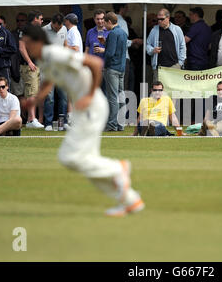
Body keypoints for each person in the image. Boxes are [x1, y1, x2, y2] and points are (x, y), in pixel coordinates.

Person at [22, 24, 144, 217]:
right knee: (88, 163)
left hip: (91, 107)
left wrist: (90, 94)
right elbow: (48, 80)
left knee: (69, 158)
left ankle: (118, 168)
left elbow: (96, 63)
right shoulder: (44, 60)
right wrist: (36, 99)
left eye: (27, 43)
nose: (26, 48)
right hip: (84, 110)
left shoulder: (54, 53)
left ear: (37, 41)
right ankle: (130, 200)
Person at [42, 13, 69, 131]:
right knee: (50, 97)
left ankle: (62, 123)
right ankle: (48, 123)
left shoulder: (64, 29)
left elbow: (66, 45)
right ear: (52, 23)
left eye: (60, 27)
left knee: (63, 96)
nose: (58, 30)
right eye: (56, 27)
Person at [146, 8, 186, 83]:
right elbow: (148, 44)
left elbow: (182, 46)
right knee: (158, 91)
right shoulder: (154, 29)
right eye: (158, 19)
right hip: (159, 67)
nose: (159, 21)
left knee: (174, 91)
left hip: (174, 66)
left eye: (162, 19)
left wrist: (180, 63)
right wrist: (152, 50)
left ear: (168, 18)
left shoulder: (177, 29)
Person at [19, 10, 44, 129]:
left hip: (37, 65)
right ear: (35, 19)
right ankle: (31, 119)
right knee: (31, 92)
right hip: (29, 65)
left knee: (34, 92)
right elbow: (22, 47)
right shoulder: (26, 29)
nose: (42, 21)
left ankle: (32, 119)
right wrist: (29, 62)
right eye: (40, 18)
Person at [103, 12, 128, 132]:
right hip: (121, 68)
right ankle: (120, 124)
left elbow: (110, 53)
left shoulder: (112, 33)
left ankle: (112, 124)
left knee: (112, 97)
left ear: (109, 22)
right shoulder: (123, 32)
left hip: (112, 68)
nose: (104, 26)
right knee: (120, 95)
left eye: (104, 23)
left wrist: (105, 65)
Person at [113, 4, 142, 92]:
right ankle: (123, 105)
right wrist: (134, 41)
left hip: (112, 58)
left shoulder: (109, 21)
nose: (128, 9)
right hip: (123, 58)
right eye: (126, 7)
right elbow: (122, 41)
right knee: (124, 86)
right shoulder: (121, 22)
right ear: (122, 8)